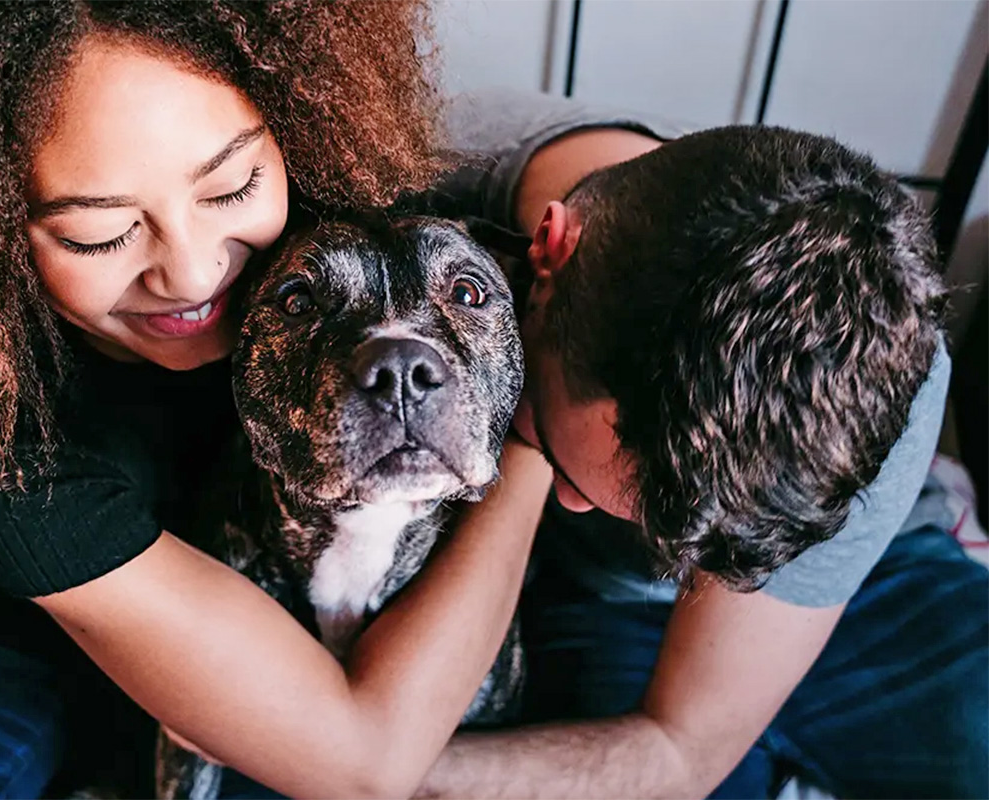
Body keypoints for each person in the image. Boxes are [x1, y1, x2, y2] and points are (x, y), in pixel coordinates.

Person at [0, 4, 567, 797]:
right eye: (98, 235)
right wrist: (532, 444)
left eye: (232, 186)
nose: (195, 275)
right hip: (17, 639)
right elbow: (364, 761)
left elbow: (581, 173)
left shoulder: (344, 200)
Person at [414, 91, 989, 798]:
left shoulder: (882, 359)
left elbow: (688, 747)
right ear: (550, 249)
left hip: (874, 577)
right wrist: (354, 768)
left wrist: (365, 773)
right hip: (614, 605)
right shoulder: (413, 173)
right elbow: (674, 748)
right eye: (563, 463)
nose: (566, 499)